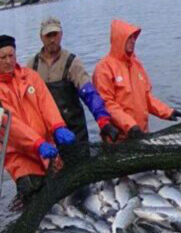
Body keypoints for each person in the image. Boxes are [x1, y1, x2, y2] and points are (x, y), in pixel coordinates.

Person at [28, 17, 120, 156]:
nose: (52, 39)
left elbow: (89, 93)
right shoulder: (32, 66)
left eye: (55, 34)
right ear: (41, 37)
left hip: (74, 131)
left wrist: (102, 120)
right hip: (47, 134)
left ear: (61, 34)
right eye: (48, 35)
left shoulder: (72, 62)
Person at [0, 35, 76, 200]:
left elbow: (46, 104)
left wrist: (58, 127)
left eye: (11, 55)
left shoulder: (31, 76)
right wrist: (37, 143)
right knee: (33, 197)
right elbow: (11, 126)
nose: (8, 61)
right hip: (20, 158)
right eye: (3, 57)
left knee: (62, 197)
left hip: (48, 150)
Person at [93, 19, 181, 143]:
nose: (133, 41)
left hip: (141, 134)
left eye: (134, 37)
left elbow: (147, 97)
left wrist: (168, 112)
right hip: (118, 139)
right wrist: (130, 126)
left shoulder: (136, 64)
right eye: (129, 37)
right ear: (119, 39)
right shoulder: (104, 68)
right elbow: (107, 104)